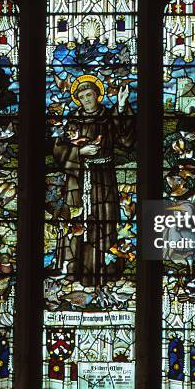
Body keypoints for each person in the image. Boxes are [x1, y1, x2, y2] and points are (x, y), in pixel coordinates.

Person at [53, 75, 135, 287]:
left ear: (97, 94)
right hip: (78, 180)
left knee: (104, 221)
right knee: (78, 222)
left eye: (89, 94)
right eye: (82, 97)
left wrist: (122, 104)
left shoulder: (108, 117)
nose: (86, 99)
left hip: (104, 177)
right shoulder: (72, 121)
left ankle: (106, 273)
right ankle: (75, 272)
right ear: (77, 99)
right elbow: (58, 150)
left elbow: (126, 140)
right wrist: (80, 151)